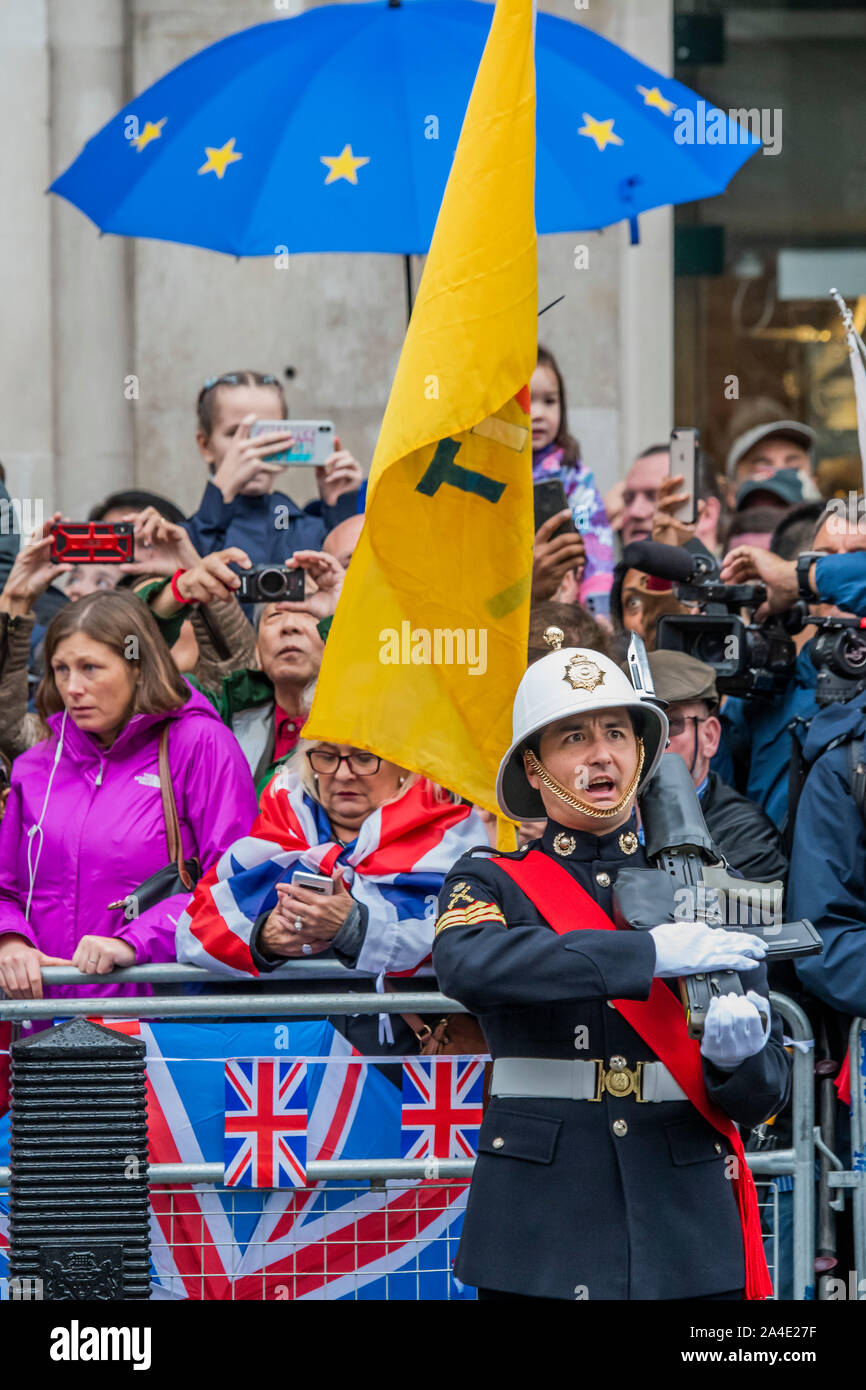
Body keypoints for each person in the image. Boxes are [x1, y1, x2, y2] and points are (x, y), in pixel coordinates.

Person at [432, 633, 789, 1300]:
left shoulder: (711, 886)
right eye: (572, 738)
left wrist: (735, 1060)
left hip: (681, 1215)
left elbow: (765, 1096)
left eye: (616, 734)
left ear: (642, 754)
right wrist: (649, 954)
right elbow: (468, 965)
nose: (601, 755)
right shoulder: (492, 879)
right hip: (544, 1218)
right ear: (534, 769)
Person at [0, 589, 258, 1005]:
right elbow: (4, 889)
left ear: (137, 666)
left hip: (156, 1017)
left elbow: (240, 879)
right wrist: (9, 940)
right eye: (61, 669)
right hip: (42, 1015)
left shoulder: (201, 743)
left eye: (91, 668)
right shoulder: (36, 765)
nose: (72, 688)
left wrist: (135, 942)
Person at [176, 739, 487, 1056]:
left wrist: (354, 927)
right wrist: (263, 940)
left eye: (364, 758)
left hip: (409, 1067)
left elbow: (479, 942)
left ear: (405, 766)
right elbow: (193, 929)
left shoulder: (453, 838)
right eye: (326, 757)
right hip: (293, 1068)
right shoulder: (277, 831)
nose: (342, 774)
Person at [715, 508, 866, 826]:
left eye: (854, 558)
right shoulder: (769, 687)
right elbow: (716, 795)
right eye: (822, 558)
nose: (832, 571)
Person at [184, 370, 362, 566]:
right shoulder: (180, 539)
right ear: (205, 445)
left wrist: (340, 513)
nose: (254, 447)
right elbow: (190, 580)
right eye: (236, 433)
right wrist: (220, 494)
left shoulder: (312, 530)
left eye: (267, 433)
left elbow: (353, 585)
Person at [647, 651, 787, 884]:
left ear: (710, 736)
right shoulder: (595, 818)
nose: (651, 741)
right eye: (635, 725)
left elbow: (744, 916)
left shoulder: (748, 838)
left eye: (670, 723)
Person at [531, 347, 613, 616]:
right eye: (526, 400)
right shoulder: (489, 471)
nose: (538, 413)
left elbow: (592, 538)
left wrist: (596, 609)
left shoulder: (574, 476)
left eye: (549, 401)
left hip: (566, 602)